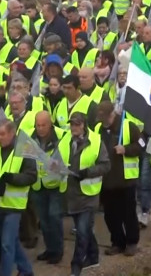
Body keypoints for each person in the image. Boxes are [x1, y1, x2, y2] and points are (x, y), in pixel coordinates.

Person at [59, 112, 110, 276]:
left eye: (77, 124)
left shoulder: (96, 141)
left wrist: (87, 172)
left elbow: (106, 165)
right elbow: (58, 158)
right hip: (71, 194)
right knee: (85, 230)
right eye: (72, 124)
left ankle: (77, 264)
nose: (74, 127)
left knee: (81, 231)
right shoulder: (65, 139)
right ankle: (94, 256)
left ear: (84, 125)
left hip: (89, 194)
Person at [0, 119, 37, 276]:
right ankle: (26, 270)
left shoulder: (25, 149)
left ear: (12, 133)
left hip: (14, 205)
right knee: (10, 242)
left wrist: (11, 178)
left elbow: (31, 176)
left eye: (2, 134)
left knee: (7, 244)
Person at [94, 100, 141, 255]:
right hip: (106, 181)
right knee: (110, 215)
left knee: (128, 214)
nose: (103, 122)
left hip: (125, 181)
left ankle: (132, 242)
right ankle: (117, 242)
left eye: (105, 118)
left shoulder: (128, 126)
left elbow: (142, 144)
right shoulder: (98, 129)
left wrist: (126, 149)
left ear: (112, 114)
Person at [30, 111, 65, 265]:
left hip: (55, 185)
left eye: (43, 125)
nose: (40, 128)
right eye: (38, 125)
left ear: (50, 124)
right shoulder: (31, 139)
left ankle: (57, 251)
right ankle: (50, 249)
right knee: (43, 221)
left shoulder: (61, 137)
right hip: (38, 185)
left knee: (54, 217)